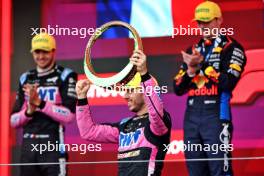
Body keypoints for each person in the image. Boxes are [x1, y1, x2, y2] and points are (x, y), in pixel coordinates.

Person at [173, 1, 246, 176]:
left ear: (219, 20)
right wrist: (190, 70)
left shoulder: (232, 47)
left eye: (207, 21)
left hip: (216, 118)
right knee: (196, 172)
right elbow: (177, 88)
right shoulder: (192, 50)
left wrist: (203, 65)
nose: (202, 26)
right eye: (199, 22)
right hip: (191, 119)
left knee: (220, 172)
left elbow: (228, 82)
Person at [76, 50, 171, 176]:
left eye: (130, 90)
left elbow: (155, 112)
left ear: (144, 90)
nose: (125, 95)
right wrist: (82, 99)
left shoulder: (158, 123)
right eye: (125, 91)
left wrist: (144, 74)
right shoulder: (123, 126)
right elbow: (88, 132)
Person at [10, 33, 77, 176]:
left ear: (53, 51)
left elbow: (70, 116)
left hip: (52, 143)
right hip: (28, 144)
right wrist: (29, 110)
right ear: (32, 52)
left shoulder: (65, 75)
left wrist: (40, 104)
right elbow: (13, 121)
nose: (41, 56)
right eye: (37, 52)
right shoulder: (26, 77)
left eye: (45, 51)